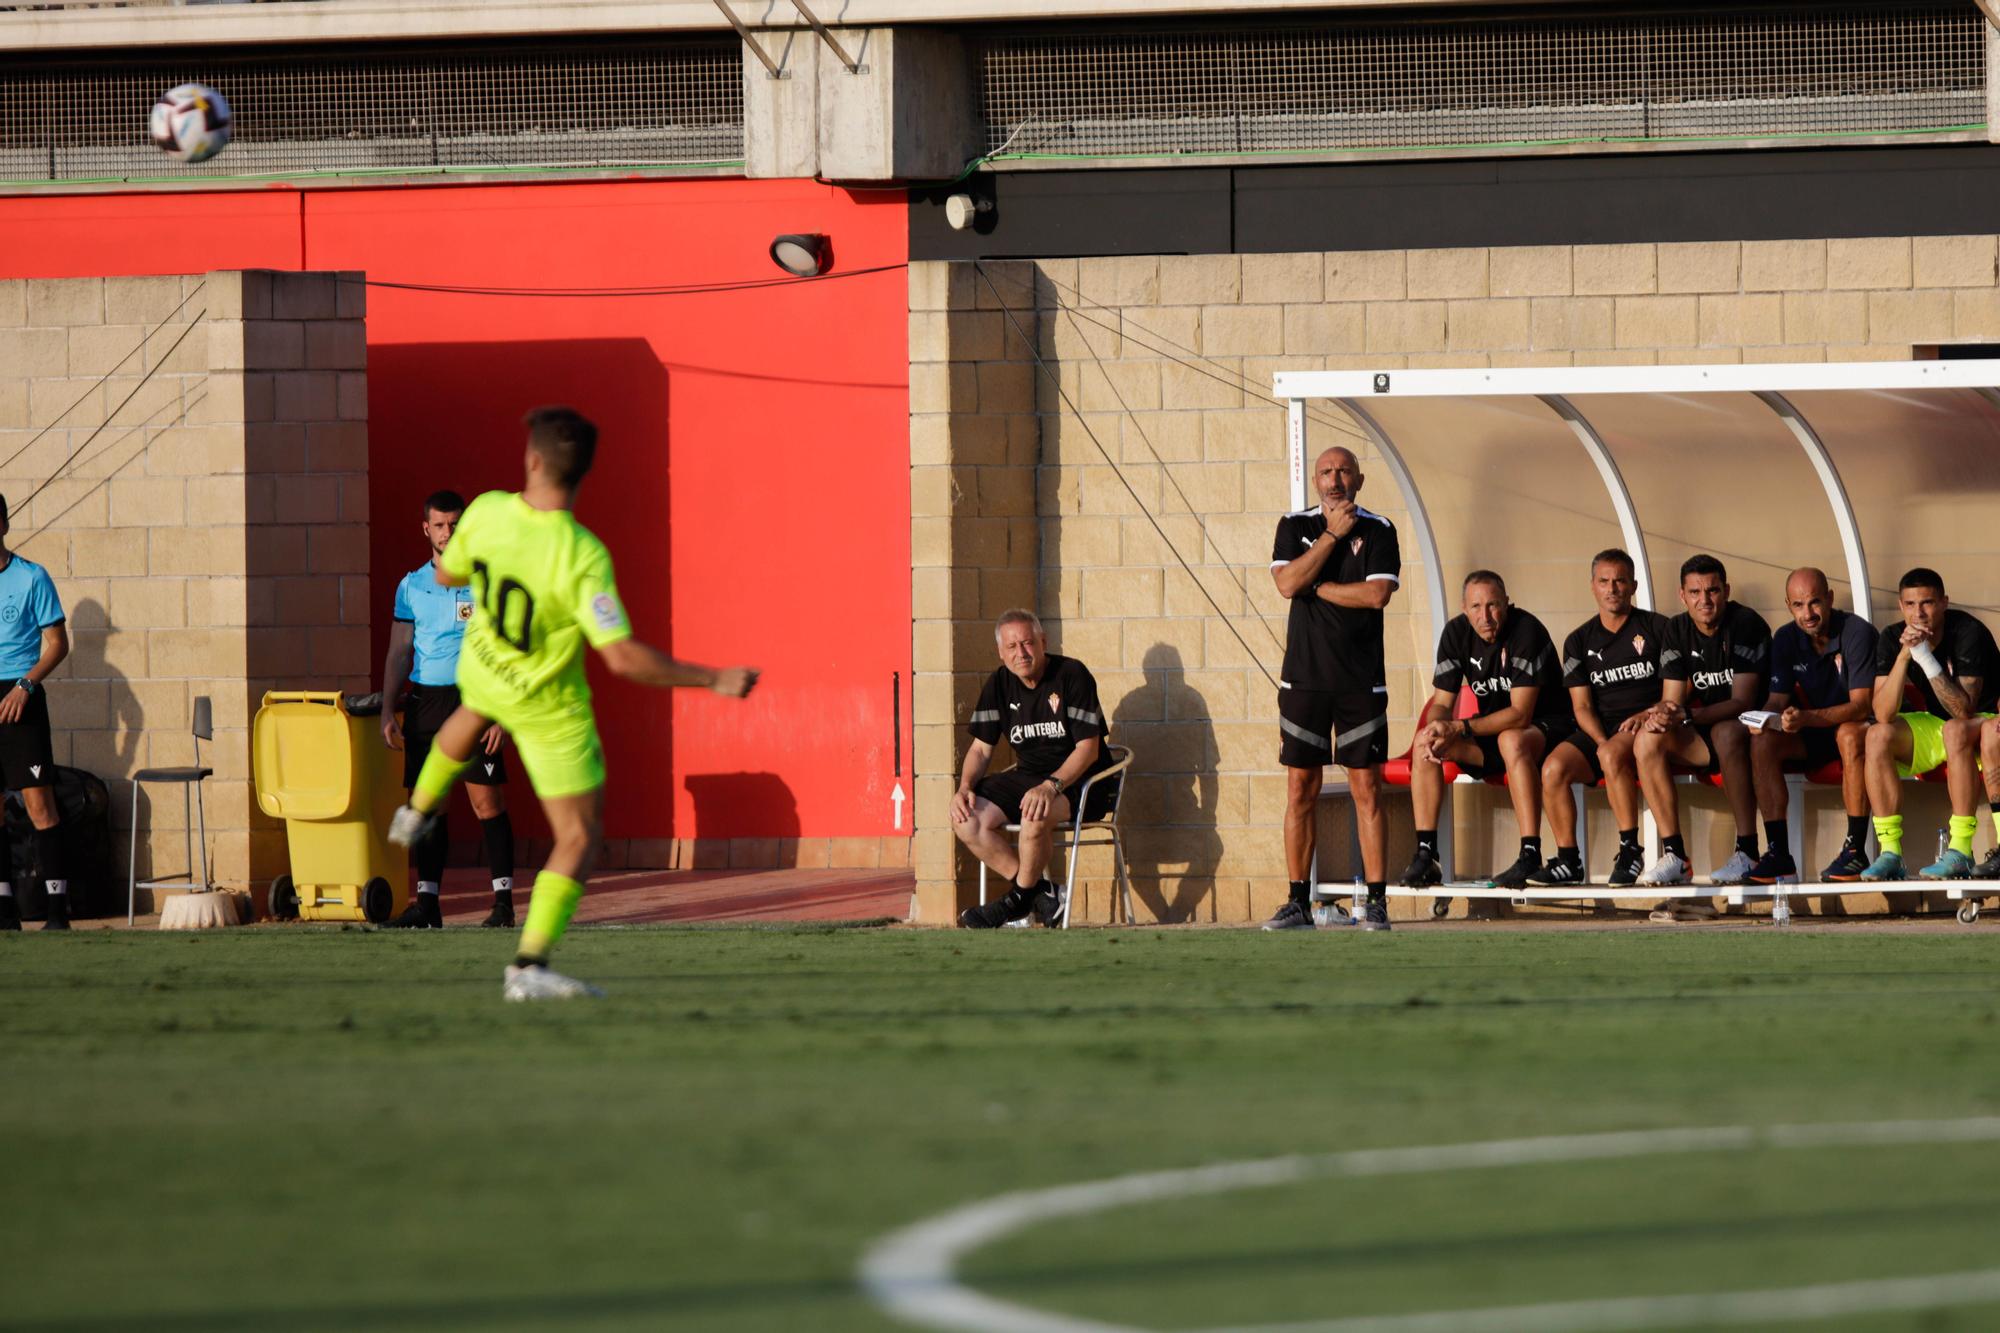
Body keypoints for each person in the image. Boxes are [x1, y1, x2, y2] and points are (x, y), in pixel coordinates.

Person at [387, 408, 758, 1000]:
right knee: (580, 836)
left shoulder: (482, 511)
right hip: (546, 703)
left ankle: (418, 810)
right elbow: (623, 657)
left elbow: (453, 574)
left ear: (532, 460)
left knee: (468, 715)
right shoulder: (582, 554)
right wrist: (711, 679)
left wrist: (491, 567)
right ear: (583, 474)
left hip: (483, 665)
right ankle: (529, 967)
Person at [1266, 445, 1399, 932]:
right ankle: (1298, 901)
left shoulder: (1380, 529)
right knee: (1301, 788)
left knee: (1367, 788)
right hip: (1303, 680)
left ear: (1359, 479)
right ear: (1316, 480)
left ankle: (1377, 902)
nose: (1335, 479)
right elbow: (1285, 585)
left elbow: (1376, 594)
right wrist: (1330, 538)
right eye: (1326, 471)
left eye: (1344, 471)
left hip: (1360, 682)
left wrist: (1315, 587)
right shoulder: (1293, 525)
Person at [380, 490, 517, 929]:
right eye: (439, 525)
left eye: (455, 524)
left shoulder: (487, 580)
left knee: (486, 803)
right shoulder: (411, 585)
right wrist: (387, 709)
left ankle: (503, 904)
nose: (447, 532)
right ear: (426, 528)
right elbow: (399, 651)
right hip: (426, 702)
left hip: (475, 700)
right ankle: (428, 905)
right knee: (428, 805)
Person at [1400, 570, 1573, 891]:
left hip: (1549, 729)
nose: (1486, 616)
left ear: (1507, 604)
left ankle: (1530, 852)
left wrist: (1460, 726)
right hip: (1494, 733)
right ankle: (1426, 854)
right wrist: (1438, 724)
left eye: (1493, 605)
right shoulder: (1455, 633)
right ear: (1464, 609)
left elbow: (1521, 715)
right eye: (1476, 607)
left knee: (1511, 739)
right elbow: (1442, 701)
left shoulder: (1527, 630)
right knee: (1425, 741)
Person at [952, 610, 1115, 929]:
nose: (1020, 653)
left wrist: (1051, 785)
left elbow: (1088, 748)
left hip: (1080, 782)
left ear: (1043, 642)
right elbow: (980, 749)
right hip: (1029, 779)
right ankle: (1042, 894)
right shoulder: (999, 682)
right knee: (966, 819)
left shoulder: (1071, 674)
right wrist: (964, 787)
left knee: (1034, 813)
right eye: (1011, 647)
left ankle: (1013, 904)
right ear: (1001, 652)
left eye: (1027, 643)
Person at [1531, 549, 1672, 888]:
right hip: (1601, 729)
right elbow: (1581, 707)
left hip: (1644, 725)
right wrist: (1600, 742)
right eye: (1604, 581)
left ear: (1633, 586)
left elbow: (1675, 690)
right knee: (1552, 768)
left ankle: (1629, 849)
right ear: (1592, 586)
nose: (1612, 589)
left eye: (1620, 581)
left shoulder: (1657, 627)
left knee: (1610, 753)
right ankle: (1568, 860)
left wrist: (1647, 713)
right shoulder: (1578, 641)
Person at [1632, 555, 1771, 889]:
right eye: (1695, 592)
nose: (1704, 600)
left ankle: (1748, 850)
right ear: (1682, 595)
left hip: (1753, 729)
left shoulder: (1746, 623)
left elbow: (1743, 701)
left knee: (1725, 732)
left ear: (1725, 590)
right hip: (1702, 730)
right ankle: (1676, 856)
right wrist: (1660, 716)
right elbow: (1673, 698)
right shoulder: (1677, 629)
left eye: (1712, 591)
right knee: (1647, 740)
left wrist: (1687, 714)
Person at [1858, 568, 1996, 882]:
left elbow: (1964, 710)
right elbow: (1882, 713)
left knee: (1954, 729)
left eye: (1927, 603)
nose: (1918, 613)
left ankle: (1961, 849)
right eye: (1910, 604)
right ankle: (1890, 853)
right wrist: (1906, 655)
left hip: (1984, 721)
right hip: (1936, 723)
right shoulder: (1893, 637)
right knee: (1877, 735)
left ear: (1944, 603)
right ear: (1900, 605)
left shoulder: (1968, 631)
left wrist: (1925, 656)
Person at [1743, 568, 1877, 885]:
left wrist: (1806, 718)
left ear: (1829, 599)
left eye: (1815, 603)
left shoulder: (1857, 632)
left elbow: (1861, 706)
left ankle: (1856, 849)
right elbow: (1777, 699)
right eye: (1799, 605)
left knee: (1847, 733)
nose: (1809, 613)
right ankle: (1778, 854)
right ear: (1789, 606)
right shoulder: (1786, 638)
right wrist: (1763, 719)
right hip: (1815, 731)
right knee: (1763, 742)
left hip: (1860, 731)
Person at [0, 495, 68, 932]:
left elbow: (58, 643)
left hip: (19, 693)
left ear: (3, 524)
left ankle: (58, 910)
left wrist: (26, 684)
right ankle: (5, 910)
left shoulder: (31, 577)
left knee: (38, 803)